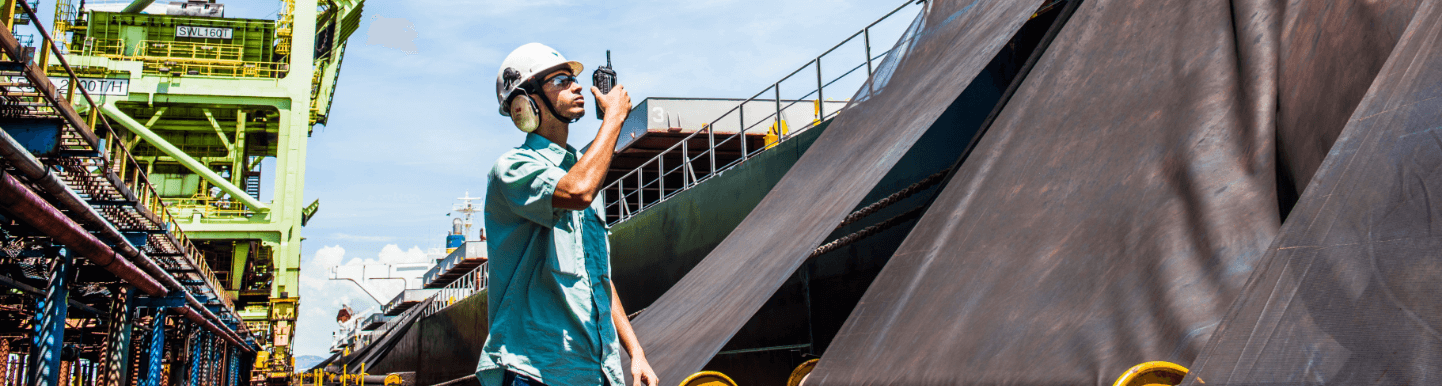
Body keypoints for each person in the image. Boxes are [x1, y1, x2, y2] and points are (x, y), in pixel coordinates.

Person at [477, 43, 658, 386]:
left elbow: (596, 276)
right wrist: (615, 118)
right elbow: (577, 191)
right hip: (537, 372)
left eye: (574, 78)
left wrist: (636, 352)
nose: (577, 86)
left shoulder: (582, 170)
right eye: (561, 80)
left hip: (596, 371)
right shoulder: (512, 169)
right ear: (525, 104)